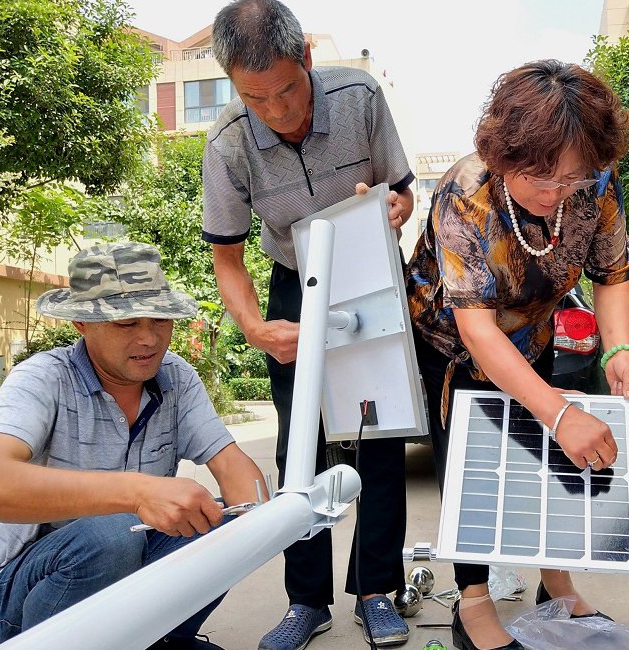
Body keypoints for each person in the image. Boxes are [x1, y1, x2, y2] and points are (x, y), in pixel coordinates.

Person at [406, 59, 629, 650]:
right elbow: (478, 330)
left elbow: (612, 274)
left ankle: (557, 587)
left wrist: (618, 347)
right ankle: (473, 603)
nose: (555, 192)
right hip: (456, 346)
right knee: (471, 472)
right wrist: (563, 413)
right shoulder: (467, 194)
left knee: (544, 461)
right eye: (541, 177)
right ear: (505, 154)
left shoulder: (594, 179)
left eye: (570, 180)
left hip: (533, 333)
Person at [200, 1, 415, 648]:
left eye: (287, 89)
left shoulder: (361, 97)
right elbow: (227, 258)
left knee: (377, 435)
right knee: (303, 447)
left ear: (308, 61)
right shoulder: (230, 140)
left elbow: (402, 191)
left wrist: (396, 208)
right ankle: (306, 600)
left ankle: (377, 590)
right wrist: (256, 329)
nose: (278, 110)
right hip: (294, 286)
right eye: (256, 97)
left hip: (368, 274)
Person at [0, 242, 267, 649]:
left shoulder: (176, 377)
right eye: (125, 324)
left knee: (220, 521)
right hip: (22, 592)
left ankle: (155, 638)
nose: (149, 338)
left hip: (127, 573)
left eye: (160, 319)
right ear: (81, 325)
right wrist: (137, 493)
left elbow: (234, 469)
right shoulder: (43, 378)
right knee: (113, 534)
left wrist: (261, 521)